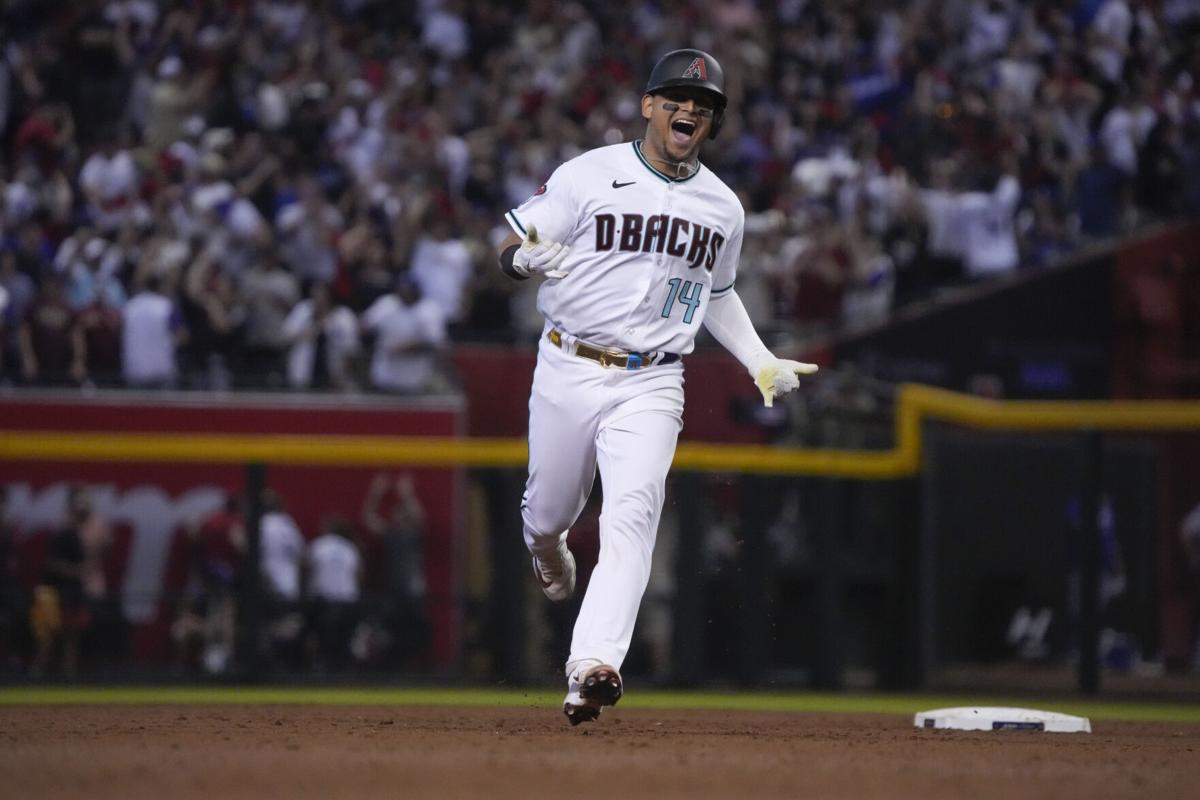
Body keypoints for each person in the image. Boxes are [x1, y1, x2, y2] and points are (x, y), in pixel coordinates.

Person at [494, 49, 817, 724]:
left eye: (703, 105)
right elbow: (511, 248)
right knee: (549, 512)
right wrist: (524, 260)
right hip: (568, 364)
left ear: (714, 122)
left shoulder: (723, 208)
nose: (689, 109)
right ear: (648, 106)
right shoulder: (590, 172)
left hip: (654, 379)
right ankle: (545, 545)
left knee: (634, 514)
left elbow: (718, 295)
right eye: (676, 98)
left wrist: (758, 358)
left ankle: (592, 666)